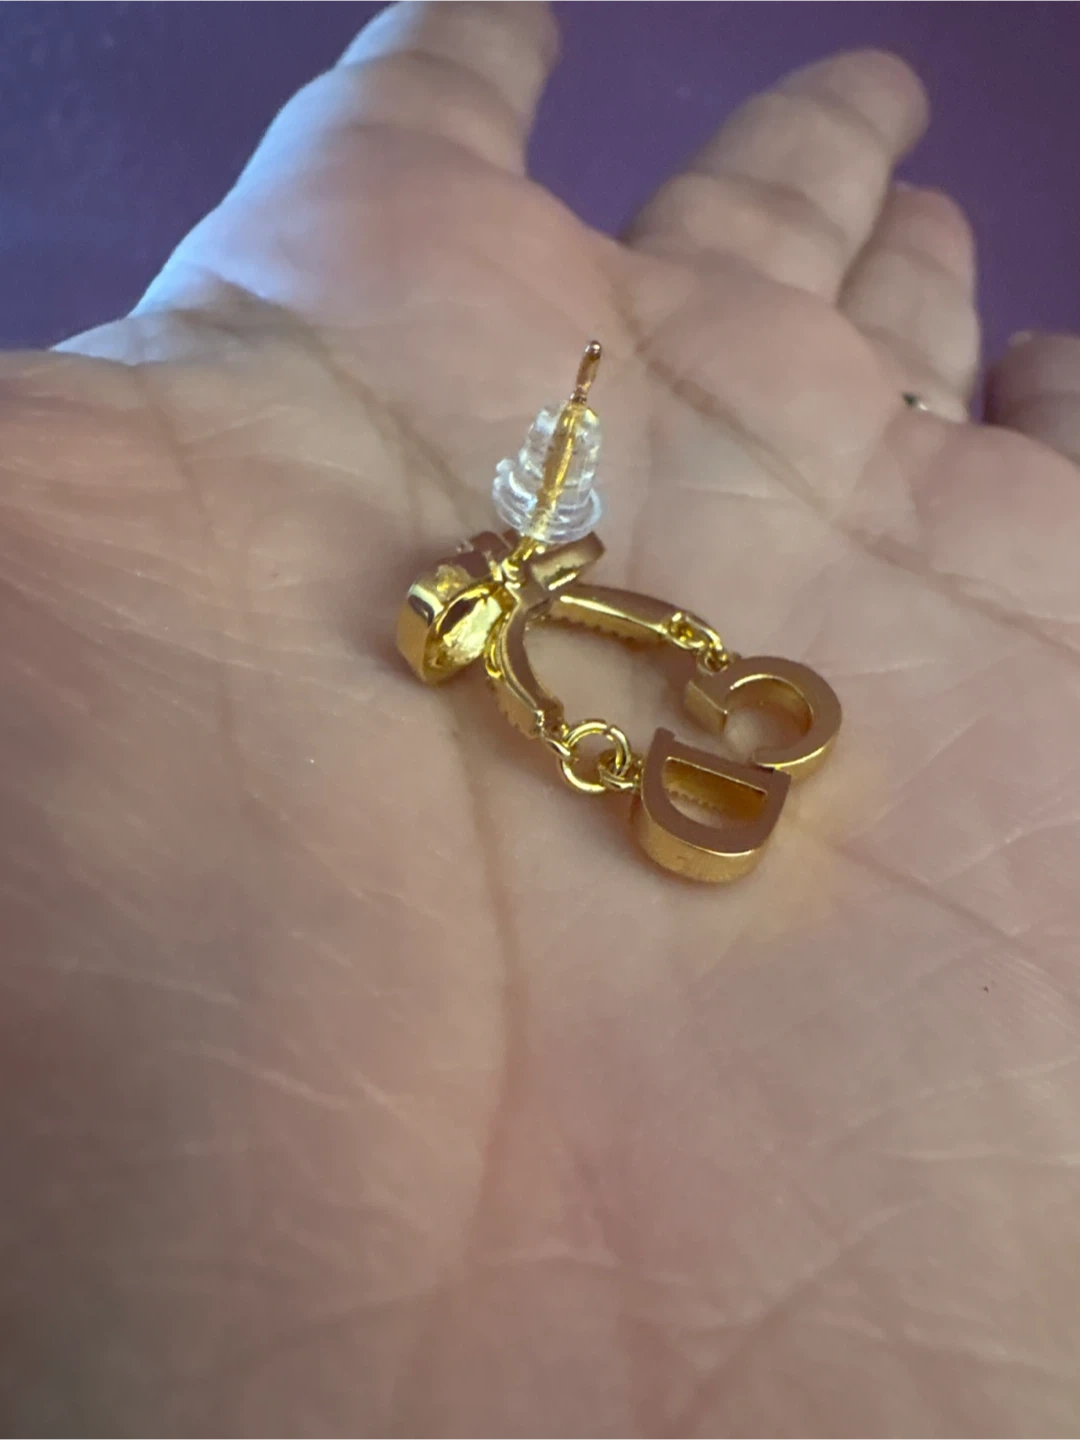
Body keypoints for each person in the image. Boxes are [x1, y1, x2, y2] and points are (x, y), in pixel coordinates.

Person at [3, 0, 1078, 1434]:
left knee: (654, 650)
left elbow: (568, 621)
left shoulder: (544, 603)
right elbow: (530, 659)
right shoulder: (508, 647)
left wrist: (628, 639)